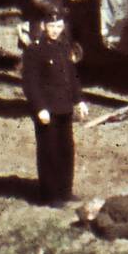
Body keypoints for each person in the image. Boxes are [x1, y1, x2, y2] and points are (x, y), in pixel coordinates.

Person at [21, 11, 87, 207]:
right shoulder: (35, 50)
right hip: (47, 110)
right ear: (43, 26)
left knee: (66, 150)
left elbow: (71, 77)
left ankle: (65, 191)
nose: (55, 31)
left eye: (59, 26)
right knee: (49, 151)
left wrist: (79, 100)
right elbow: (30, 83)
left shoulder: (64, 47)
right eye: (51, 26)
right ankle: (50, 195)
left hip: (64, 107)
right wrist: (40, 107)